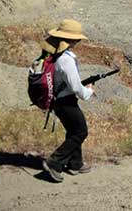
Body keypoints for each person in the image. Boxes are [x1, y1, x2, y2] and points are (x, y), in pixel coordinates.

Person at [42, 19, 99, 181]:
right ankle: (54, 161)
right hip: (65, 101)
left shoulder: (55, 54)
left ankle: (75, 163)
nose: (79, 41)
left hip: (58, 100)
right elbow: (75, 87)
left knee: (73, 130)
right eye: (77, 38)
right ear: (71, 39)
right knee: (81, 131)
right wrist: (88, 92)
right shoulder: (66, 59)